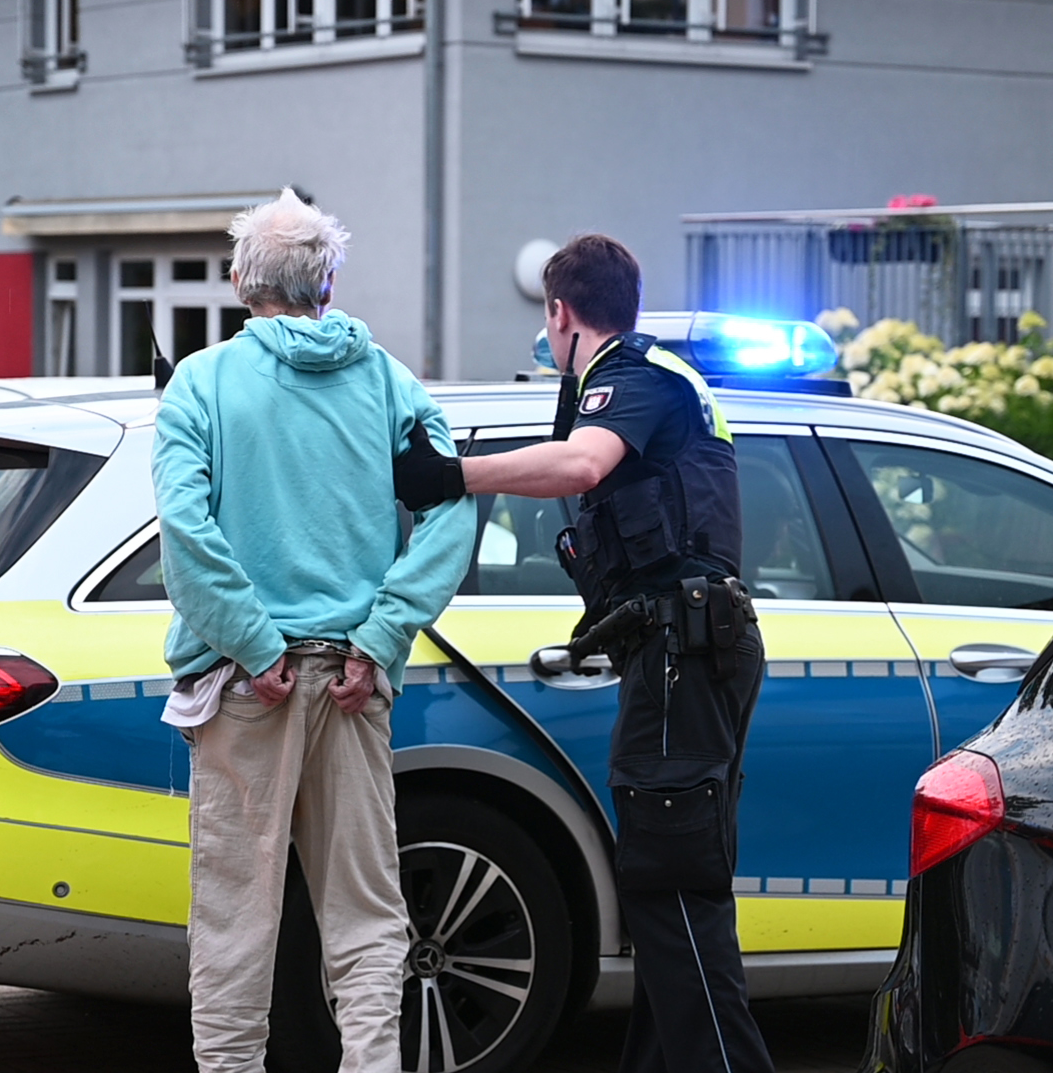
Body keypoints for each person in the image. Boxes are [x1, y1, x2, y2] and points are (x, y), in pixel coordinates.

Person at [393, 233, 775, 1073]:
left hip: (684, 649)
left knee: (673, 893)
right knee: (666, 891)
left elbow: (580, 464)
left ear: (561, 312)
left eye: (547, 319)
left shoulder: (631, 380)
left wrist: (451, 475)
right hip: (687, 649)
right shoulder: (662, 380)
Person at [153, 187, 476, 1073]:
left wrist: (255, 647)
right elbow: (451, 510)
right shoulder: (389, 384)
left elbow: (186, 533)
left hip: (244, 689)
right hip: (352, 682)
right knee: (368, 918)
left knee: (234, 920)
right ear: (328, 282)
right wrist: (382, 639)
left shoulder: (203, 384)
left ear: (236, 281)